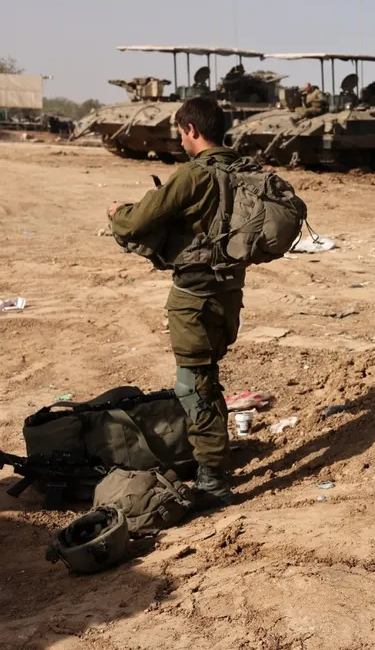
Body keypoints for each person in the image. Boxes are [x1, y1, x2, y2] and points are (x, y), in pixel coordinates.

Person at [107, 96, 244, 507]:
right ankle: (213, 456)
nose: (181, 141)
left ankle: (213, 481)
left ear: (192, 130)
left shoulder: (193, 174)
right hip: (229, 294)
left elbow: (138, 220)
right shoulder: (242, 169)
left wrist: (117, 212)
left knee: (194, 386)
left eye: (181, 133)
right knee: (206, 378)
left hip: (194, 298)